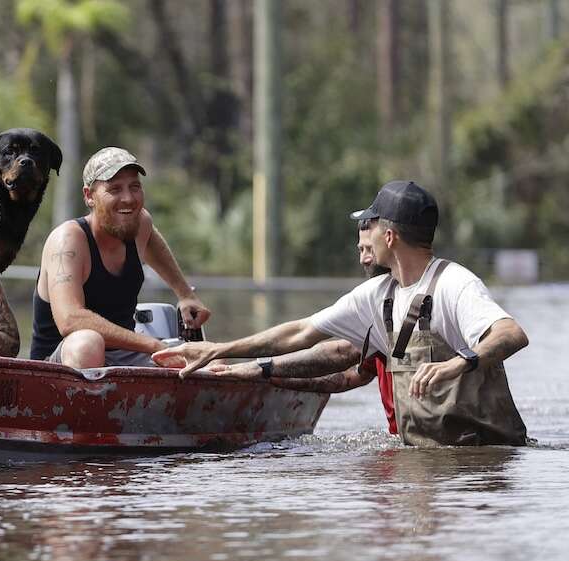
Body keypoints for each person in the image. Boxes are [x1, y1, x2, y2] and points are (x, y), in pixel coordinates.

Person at [155, 180, 529, 446]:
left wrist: (458, 362)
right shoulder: (377, 295)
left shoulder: (454, 283)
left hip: (483, 464)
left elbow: (511, 333)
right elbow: (300, 333)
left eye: (373, 225)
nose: (363, 241)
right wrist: (219, 350)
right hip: (426, 457)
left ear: (389, 236)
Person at [206, 219, 402, 433]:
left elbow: (339, 351)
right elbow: (348, 378)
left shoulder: (413, 301)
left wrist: (254, 367)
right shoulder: (376, 303)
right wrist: (266, 377)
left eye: (370, 249)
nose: (364, 258)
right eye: (361, 249)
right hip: (402, 441)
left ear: (390, 240)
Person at [30, 146, 210, 368]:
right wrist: (154, 346)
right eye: (115, 189)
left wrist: (185, 294)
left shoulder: (140, 223)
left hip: (124, 356)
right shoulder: (68, 240)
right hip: (61, 364)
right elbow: (70, 320)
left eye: (134, 187)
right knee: (88, 343)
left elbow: (152, 241)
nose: (128, 199)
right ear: (89, 196)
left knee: (203, 361)